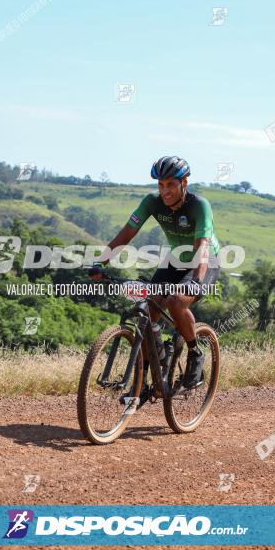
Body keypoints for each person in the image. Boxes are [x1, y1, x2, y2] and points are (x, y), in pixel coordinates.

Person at [89, 155, 221, 391]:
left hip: (204, 260)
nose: (165, 190)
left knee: (176, 301)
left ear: (184, 183)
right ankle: (153, 371)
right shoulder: (152, 202)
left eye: (171, 184)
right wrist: (101, 262)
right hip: (175, 258)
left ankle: (194, 353)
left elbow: (201, 245)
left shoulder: (199, 205)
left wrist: (197, 282)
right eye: (161, 185)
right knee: (148, 310)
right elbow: (127, 233)